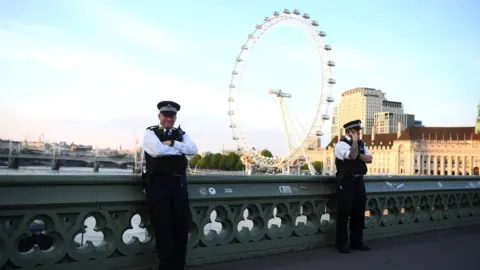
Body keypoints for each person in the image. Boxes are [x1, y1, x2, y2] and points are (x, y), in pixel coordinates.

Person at [141, 100, 198, 270]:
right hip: (159, 186)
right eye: (166, 115)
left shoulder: (181, 134)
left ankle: (179, 265)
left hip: (179, 186)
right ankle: (165, 266)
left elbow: (193, 150)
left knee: (181, 227)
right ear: (160, 116)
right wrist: (181, 151)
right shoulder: (150, 133)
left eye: (172, 116)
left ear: (175, 118)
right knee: (163, 227)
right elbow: (157, 150)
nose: (169, 119)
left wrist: (173, 144)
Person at [334, 119, 372, 253]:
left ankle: (357, 242)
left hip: (359, 182)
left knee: (359, 213)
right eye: (356, 131)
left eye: (359, 130)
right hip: (346, 182)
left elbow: (370, 159)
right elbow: (352, 155)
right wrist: (356, 146)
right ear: (349, 132)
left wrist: (358, 154)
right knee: (344, 214)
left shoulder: (361, 144)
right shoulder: (340, 145)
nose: (358, 133)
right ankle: (342, 244)